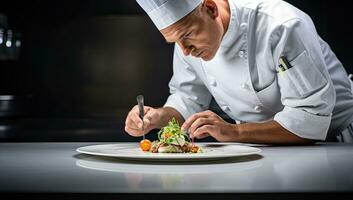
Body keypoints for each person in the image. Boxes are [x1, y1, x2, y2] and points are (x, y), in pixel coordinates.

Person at [125, 0, 353, 144]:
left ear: (211, 8)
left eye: (187, 35)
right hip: (259, 146)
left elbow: (310, 119)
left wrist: (234, 132)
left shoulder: (280, 25)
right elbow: (187, 100)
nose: (184, 51)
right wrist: (158, 117)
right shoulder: (186, 45)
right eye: (175, 41)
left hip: (336, 141)